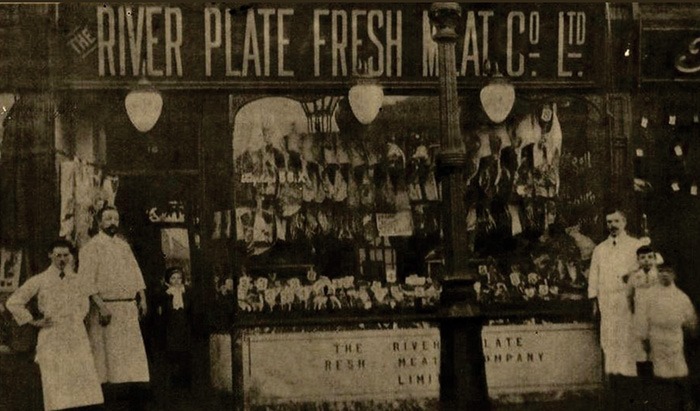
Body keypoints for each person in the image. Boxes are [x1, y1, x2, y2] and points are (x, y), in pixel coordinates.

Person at [6, 239, 104, 411]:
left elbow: (84, 304)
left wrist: (75, 320)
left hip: (75, 334)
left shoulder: (77, 279)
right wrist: (33, 321)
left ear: (70, 256)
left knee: (80, 385)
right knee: (56, 386)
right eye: (58, 255)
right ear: (50, 255)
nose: (62, 259)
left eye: (65, 255)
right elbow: (13, 302)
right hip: (52, 335)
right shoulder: (40, 279)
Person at [78, 206, 150, 407]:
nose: (112, 223)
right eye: (108, 218)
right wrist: (101, 307)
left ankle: (128, 400)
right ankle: (107, 401)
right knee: (106, 362)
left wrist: (142, 297)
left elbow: (136, 273)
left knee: (130, 361)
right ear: (99, 222)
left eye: (116, 219)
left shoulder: (123, 246)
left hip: (127, 308)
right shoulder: (91, 247)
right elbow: (86, 282)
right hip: (106, 309)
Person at [588, 208, 646, 407]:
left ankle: (631, 392)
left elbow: (645, 271)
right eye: (609, 222)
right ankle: (614, 391)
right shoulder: (600, 249)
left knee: (629, 343)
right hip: (608, 303)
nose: (612, 225)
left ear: (624, 222)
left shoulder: (636, 245)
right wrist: (594, 300)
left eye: (616, 221)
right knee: (610, 342)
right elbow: (593, 276)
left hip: (628, 302)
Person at [635, 266, 697, 411]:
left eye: (668, 272)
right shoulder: (649, 295)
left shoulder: (681, 296)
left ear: (674, 275)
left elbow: (691, 320)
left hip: (675, 339)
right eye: (661, 271)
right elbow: (642, 318)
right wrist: (644, 338)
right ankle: (661, 406)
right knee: (659, 374)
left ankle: (684, 404)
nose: (664, 275)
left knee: (679, 372)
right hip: (656, 339)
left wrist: (691, 329)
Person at [625, 245, 659, 375]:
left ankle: (659, 377)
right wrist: (632, 311)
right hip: (640, 314)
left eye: (650, 257)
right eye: (643, 258)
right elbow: (629, 295)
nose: (646, 260)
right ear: (638, 260)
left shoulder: (660, 275)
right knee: (641, 343)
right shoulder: (634, 277)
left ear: (655, 259)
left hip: (657, 314)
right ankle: (644, 375)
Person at [157, 267, 193, 388]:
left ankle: (185, 382)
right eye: (173, 278)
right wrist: (167, 296)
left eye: (179, 278)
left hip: (184, 327)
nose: (177, 281)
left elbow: (191, 310)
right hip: (170, 328)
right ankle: (172, 381)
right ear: (168, 280)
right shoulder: (165, 293)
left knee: (185, 354)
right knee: (172, 354)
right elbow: (161, 311)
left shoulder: (187, 292)